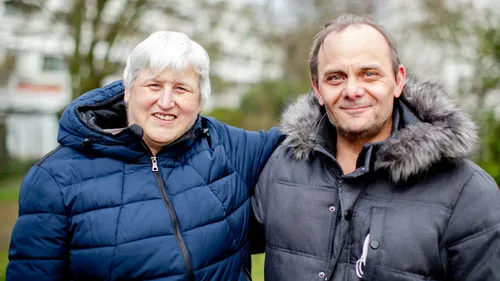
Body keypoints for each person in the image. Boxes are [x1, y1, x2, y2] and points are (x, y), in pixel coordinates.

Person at [7, 31, 282, 281]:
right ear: (127, 90)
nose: (165, 101)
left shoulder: (228, 147)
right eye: (153, 85)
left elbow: (309, 138)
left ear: (200, 101)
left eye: (181, 88)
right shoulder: (54, 179)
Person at [252, 14, 500, 281]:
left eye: (369, 74)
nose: (352, 90)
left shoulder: (467, 191)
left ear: (398, 80)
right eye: (335, 77)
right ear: (317, 88)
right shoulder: (280, 168)